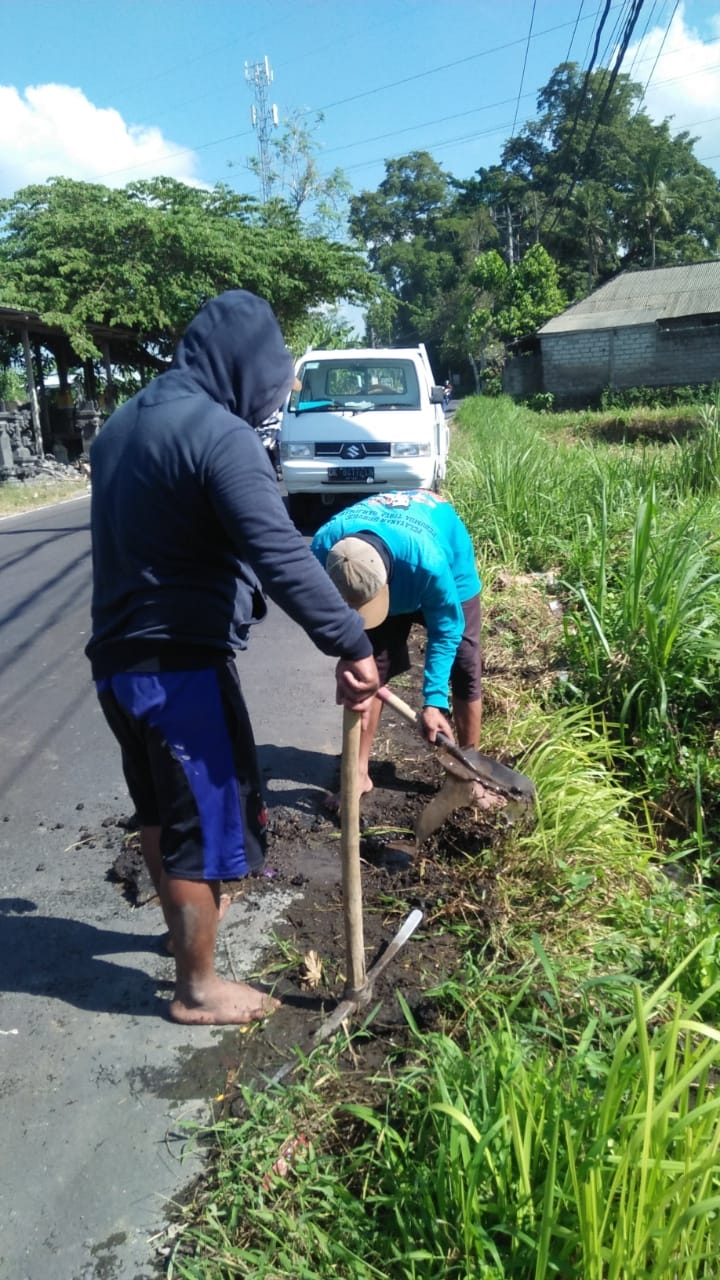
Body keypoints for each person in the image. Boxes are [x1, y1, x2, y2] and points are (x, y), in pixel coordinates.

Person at [86, 290, 379, 1027]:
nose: (271, 399)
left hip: (117, 666)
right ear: (246, 365)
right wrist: (349, 641)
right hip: (180, 670)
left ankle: (178, 938)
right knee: (202, 823)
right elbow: (278, 551)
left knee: (158, 808)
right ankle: (197, 988)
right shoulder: (220, 435)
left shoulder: (125, 422)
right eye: (272, 381)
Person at [311, 490, 482, 809]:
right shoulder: (322, 546)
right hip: (391, 554)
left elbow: (447, 629)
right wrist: (347, 653)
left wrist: (434, 700)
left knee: (465, 662)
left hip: (444, 559)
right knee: (366, 670)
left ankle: (467, 777)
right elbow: (316, 609)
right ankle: (358, 773)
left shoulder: (426, 561)